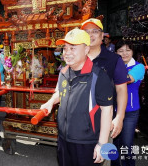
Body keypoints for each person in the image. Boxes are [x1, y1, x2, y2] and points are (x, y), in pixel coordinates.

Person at [40, 28, 113, 166]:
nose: (67, 52)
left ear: (86, 50)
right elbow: (59, 93)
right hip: (63, 138)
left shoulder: (98, 76)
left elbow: (107, 110)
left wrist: (102, 143)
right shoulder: (63, 72)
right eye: (65, 48)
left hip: (86, 142)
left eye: (73, 48)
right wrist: (50, 102)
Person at [80, 19, 129, 140]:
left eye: (95, 31)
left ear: (102, 36)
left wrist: (119, 117)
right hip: (78, 121)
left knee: (102, 155)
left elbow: (121, 90)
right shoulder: (76, 58)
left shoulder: (114, 60)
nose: (90, 35)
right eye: (86, 32)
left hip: (104, 120)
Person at [115, 40, 145, 166]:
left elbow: (128, 79)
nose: (124, 53)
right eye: (120, 51)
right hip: (114, 110)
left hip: (130, 112)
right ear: (116, 52)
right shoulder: (115, 65)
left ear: (133, 51)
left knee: (126, 144)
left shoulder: (139, 67)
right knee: (114, 145)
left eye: (128, 50)